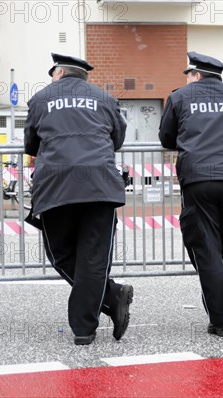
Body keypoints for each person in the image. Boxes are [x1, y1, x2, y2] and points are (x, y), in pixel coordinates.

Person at [24, 53, 133, 345]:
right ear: (82, 75)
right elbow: (117, 139)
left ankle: (85, 327)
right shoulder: (104, 98)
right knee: (94, 258)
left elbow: (30, 144)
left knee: (60, 254)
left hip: (55, 186)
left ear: (58, 73)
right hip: (99, 186)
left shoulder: (40, 99)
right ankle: (110, 296)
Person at [159, 52, 223, 339]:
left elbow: (167, 138)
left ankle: (219, 320)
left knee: (207, 249)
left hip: (198, 179)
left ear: (197, 74)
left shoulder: (180, 97)